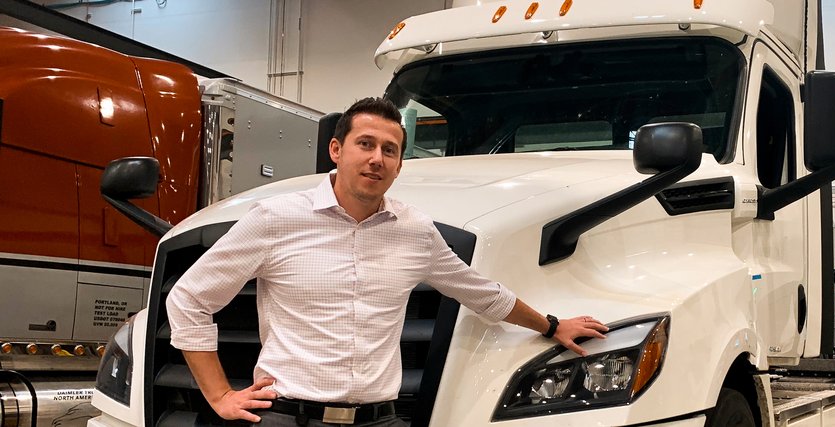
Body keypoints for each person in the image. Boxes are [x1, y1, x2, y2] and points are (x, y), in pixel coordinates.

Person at [166, 97, 608, 426]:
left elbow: (480, 292)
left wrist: (552, 325)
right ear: (336, 151)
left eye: (390, 150)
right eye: (365, 144)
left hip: (381, 419)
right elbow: (189, 299)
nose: (376, 158)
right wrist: (220, 395)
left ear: (399, 166)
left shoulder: (414, 230)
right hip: (288, 416)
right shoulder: (275, 219)